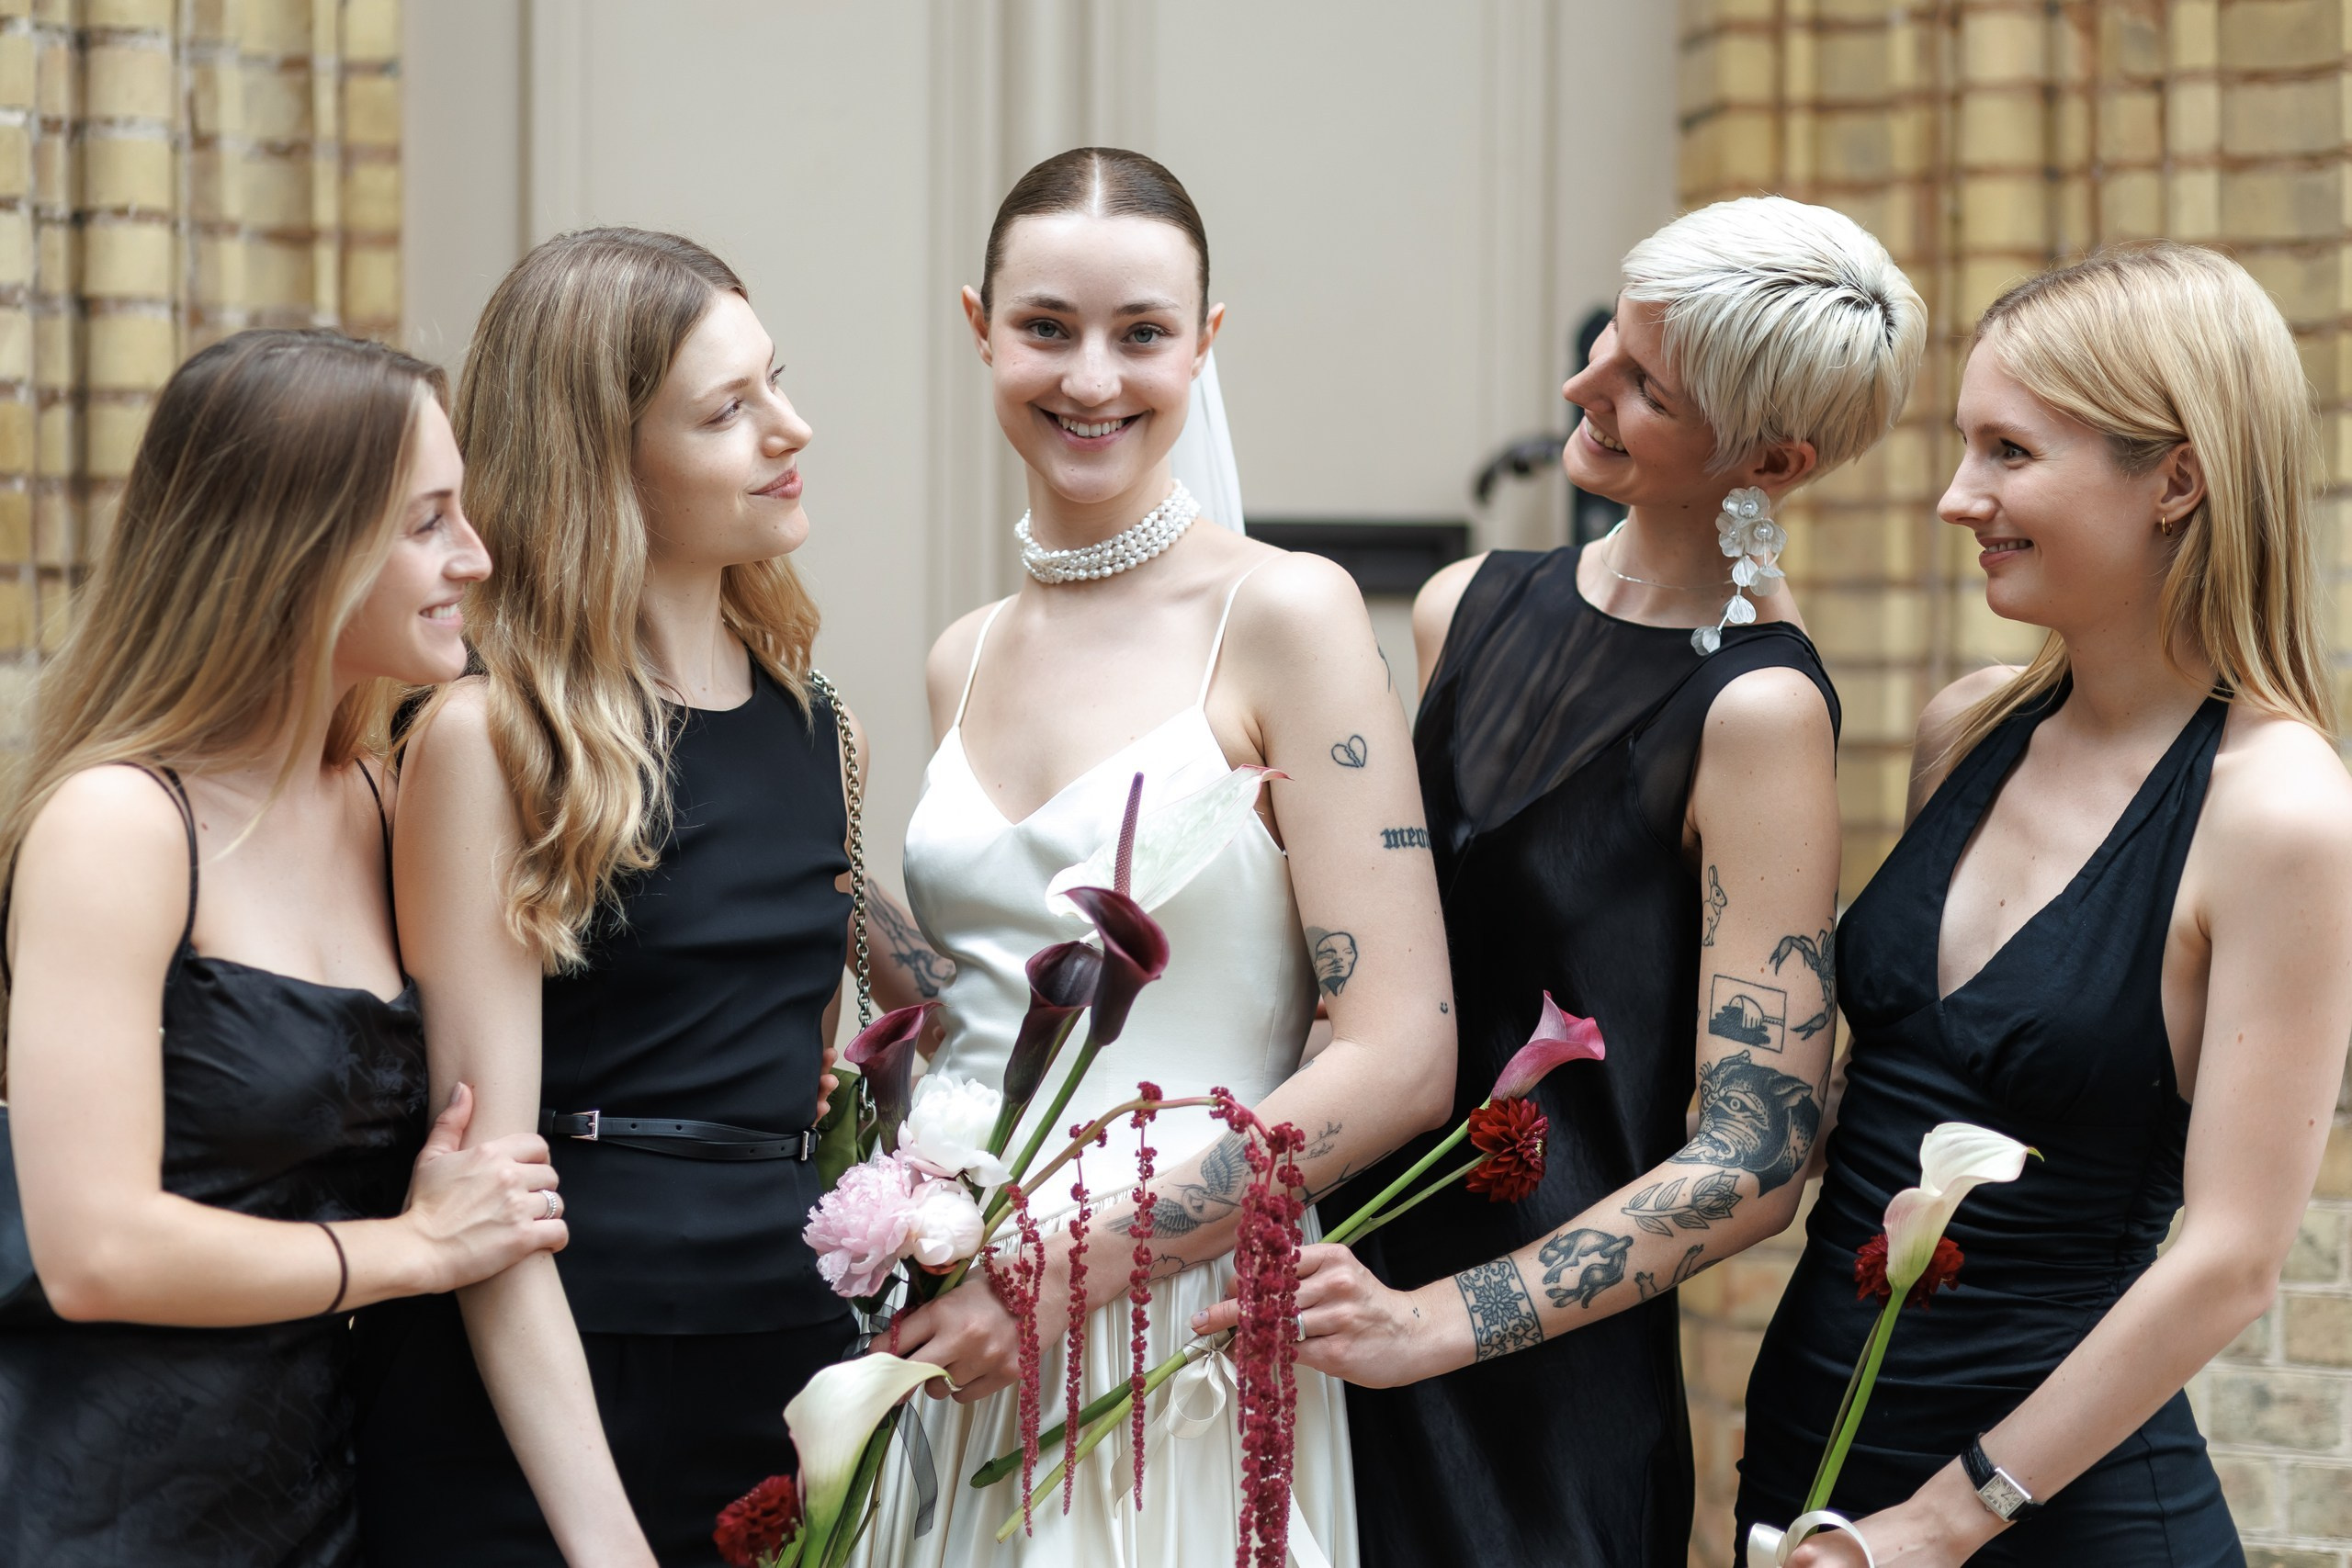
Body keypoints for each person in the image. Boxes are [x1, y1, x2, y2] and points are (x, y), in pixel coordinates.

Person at [1198, 197, 1928, 1566]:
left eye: (1646, 386)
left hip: (1533, 1400)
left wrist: (1432, 1325)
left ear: (1772, 459)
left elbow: (1756, 1154)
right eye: (1609, 343)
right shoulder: (1460, 605)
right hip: (1329, 1303)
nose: (1583, 388)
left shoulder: (1760, 713)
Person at [861, 146, 1458, 1568]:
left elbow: (1403, 1054)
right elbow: (974, 1008)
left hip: (1172, 1338)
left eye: (1141, 334)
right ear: (979, 329)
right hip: (955, 1336)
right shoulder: (962, 657)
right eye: (1045, 328)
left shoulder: (1288, 618)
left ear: (1205, 342)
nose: (1091, 379)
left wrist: (1055, 1279)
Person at [1737, 243, 2352, 1566]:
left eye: (2009, 452)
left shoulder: (2278, 814)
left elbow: (2234, 1260)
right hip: (1808, 1472)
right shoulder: (1968, 731)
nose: (1958, 498)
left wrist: (1936, 1527)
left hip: (2042, 1522)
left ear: (2176, 479)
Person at [356, 229, 953, 1566]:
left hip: (780, 1375)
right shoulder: (490, 738)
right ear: (602, 463)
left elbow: (804, 1088)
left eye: (775, 381)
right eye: (727, 411)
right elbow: (487, 1186)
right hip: (551, 1394)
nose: (790, 429)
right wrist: (605, 1545)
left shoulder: (824, 728)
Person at [0, 329, 560, 1566]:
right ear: (297, 548)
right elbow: (94, 1252)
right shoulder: (119, 824)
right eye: (427, 521)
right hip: (108, 1513)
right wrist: (413, 1249)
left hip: (328, 1499)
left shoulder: (381, 799)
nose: (474, 555)